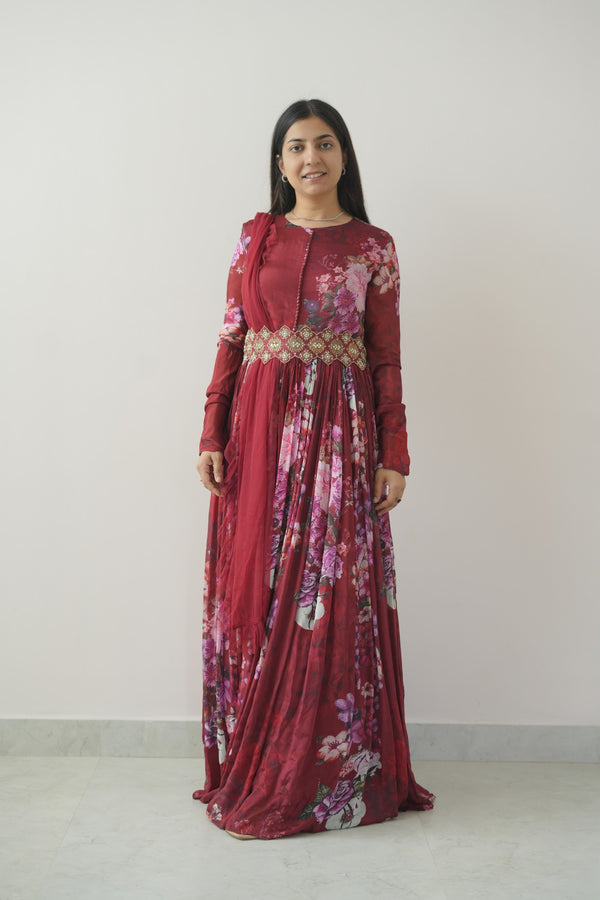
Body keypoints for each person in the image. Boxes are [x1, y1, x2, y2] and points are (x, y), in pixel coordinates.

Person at [193, 99, 434, 840]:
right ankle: (256, 765)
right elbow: (232, 338)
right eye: (296, 147)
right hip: (259, 434)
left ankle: (332, 775)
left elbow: (386, 357)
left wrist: (395, 453)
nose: (311, 159)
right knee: (257, 589)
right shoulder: (254, 238)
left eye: (324, 145)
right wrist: (211, 428)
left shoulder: (374, 246)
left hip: (340, 438)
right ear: (279, 162)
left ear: (344, 156)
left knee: (329, 593)